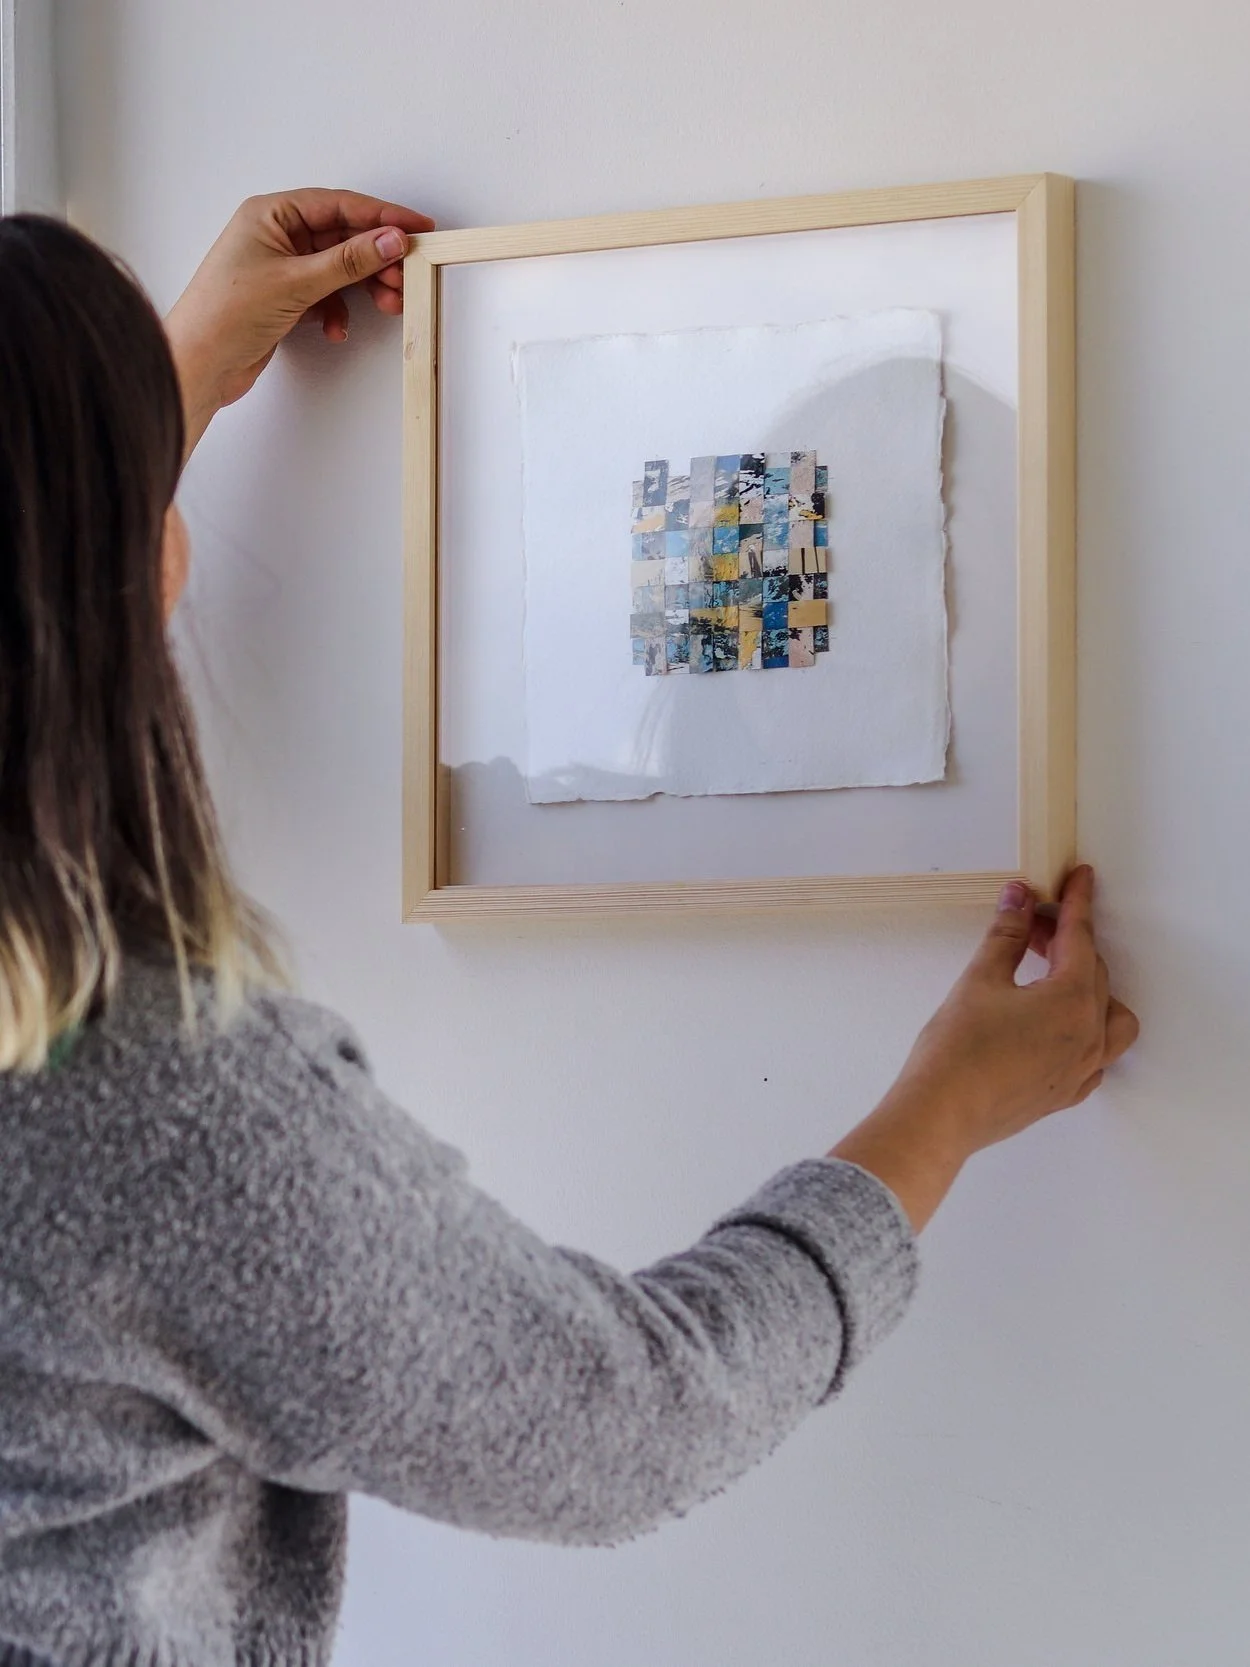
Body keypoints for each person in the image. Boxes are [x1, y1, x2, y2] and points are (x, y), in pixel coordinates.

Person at [0, 191, 1138, 1667]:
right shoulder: (145, 1110)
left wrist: (137, 396)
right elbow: (625, 1425)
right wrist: (947, 1107)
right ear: (144, 569)